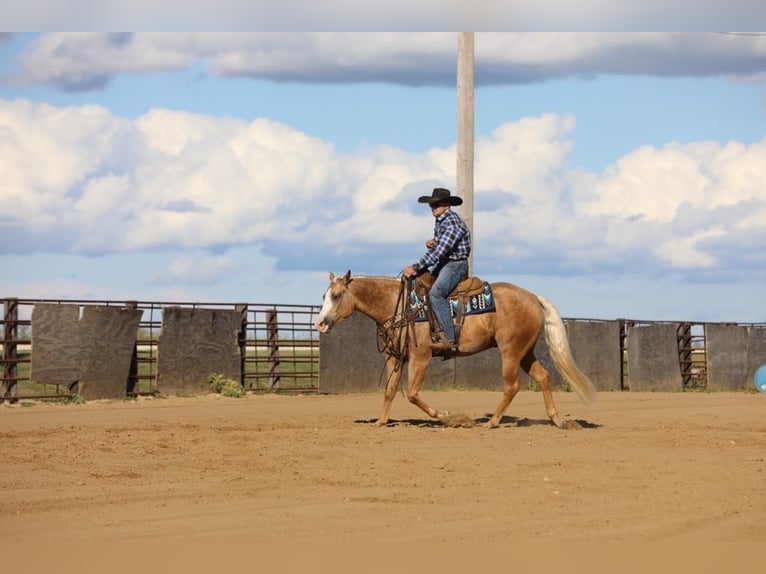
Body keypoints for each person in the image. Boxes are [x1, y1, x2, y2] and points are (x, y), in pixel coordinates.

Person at [402, 187, 471, 352]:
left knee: (436, 293)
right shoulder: (442, 220)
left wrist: (415, 267)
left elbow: (439, 252)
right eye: (432, 205)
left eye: (436, 205)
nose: (433, 208)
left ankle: (449, 338)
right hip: (446, 262)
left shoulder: (453, 223)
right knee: (422, 283)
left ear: (447, 204)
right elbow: (442, 246)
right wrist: (434, 241)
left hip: (456, 265)